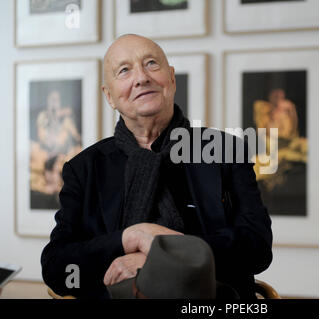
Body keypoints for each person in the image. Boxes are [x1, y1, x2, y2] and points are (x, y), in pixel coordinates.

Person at [41, 34, 273, 299]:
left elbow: (257, 249)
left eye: (151, 63)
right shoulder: (84, 168)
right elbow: (58, 268)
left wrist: (163, 255)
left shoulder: (224, 151)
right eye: (124, 70)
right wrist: (132, 237)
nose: (141, 78)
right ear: (110, 97)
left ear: (171, 79)